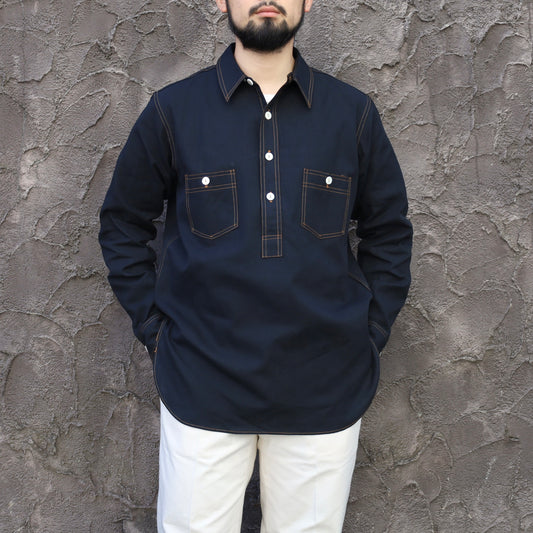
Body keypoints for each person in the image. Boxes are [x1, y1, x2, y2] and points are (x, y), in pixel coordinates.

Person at [98, 0, 413, 531]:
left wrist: (369, 333)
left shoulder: (351, 113)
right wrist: (156, 331)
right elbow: (122, 224)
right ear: (222, 1)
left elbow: (389, 233)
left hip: (325, 387)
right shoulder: (174, 111)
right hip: (201, 384)